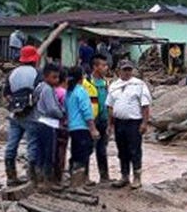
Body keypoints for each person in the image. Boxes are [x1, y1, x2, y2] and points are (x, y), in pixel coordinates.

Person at [107, 59, 152, 188]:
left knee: (135, 150)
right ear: (118, 71)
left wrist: (144, 123)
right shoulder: (114, 86)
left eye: (129, 70)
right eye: (124, 69)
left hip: (134, 123)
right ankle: (124, 176)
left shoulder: (139, 85)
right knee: (122, 150)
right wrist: (110, 125)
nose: (127, 72)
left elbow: (145, 105)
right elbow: (110, 106)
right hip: (119, 123)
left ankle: (137, 178)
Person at [3, 45, 40, 186]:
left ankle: (11, 177)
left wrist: (15, 103)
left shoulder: (12, 73)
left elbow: (6, 94)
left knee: (11, 145)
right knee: (32, 145)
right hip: (31, 115)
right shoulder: (37, 73)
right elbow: (40, 93)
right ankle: (32, 177)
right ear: (34, 59)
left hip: (15, 115)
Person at [29, 64, 65, 187]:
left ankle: (38, 179)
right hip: (48, 123)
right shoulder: (48, 89)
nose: (56, 80)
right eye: (54, 77)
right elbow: (52, 109)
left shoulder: (39, 87)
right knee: (49, 153)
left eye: (58, 78)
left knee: (40, 151)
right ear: (45, 77)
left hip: (39, 121)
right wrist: (62, 113)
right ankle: (47, 181)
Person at [65, 67, 99, 187]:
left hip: (72, 128)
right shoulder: (81, 91)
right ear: (82, 77)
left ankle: (74, 180)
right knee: (82, 155)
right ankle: (78, 184)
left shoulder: (68, 91)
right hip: (82, 127)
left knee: (75, 154)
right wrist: (93, 129)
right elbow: (86, 112)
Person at [86, 54, 112, 184]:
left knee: (102, 149)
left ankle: (104, 176)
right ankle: (84, 177)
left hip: (103, 119)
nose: (106, 68)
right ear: (95, 67)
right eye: (103, 65)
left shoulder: (106, 82)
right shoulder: (87, 82)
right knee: (87, 148)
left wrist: (109, 122)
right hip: (91, 120)